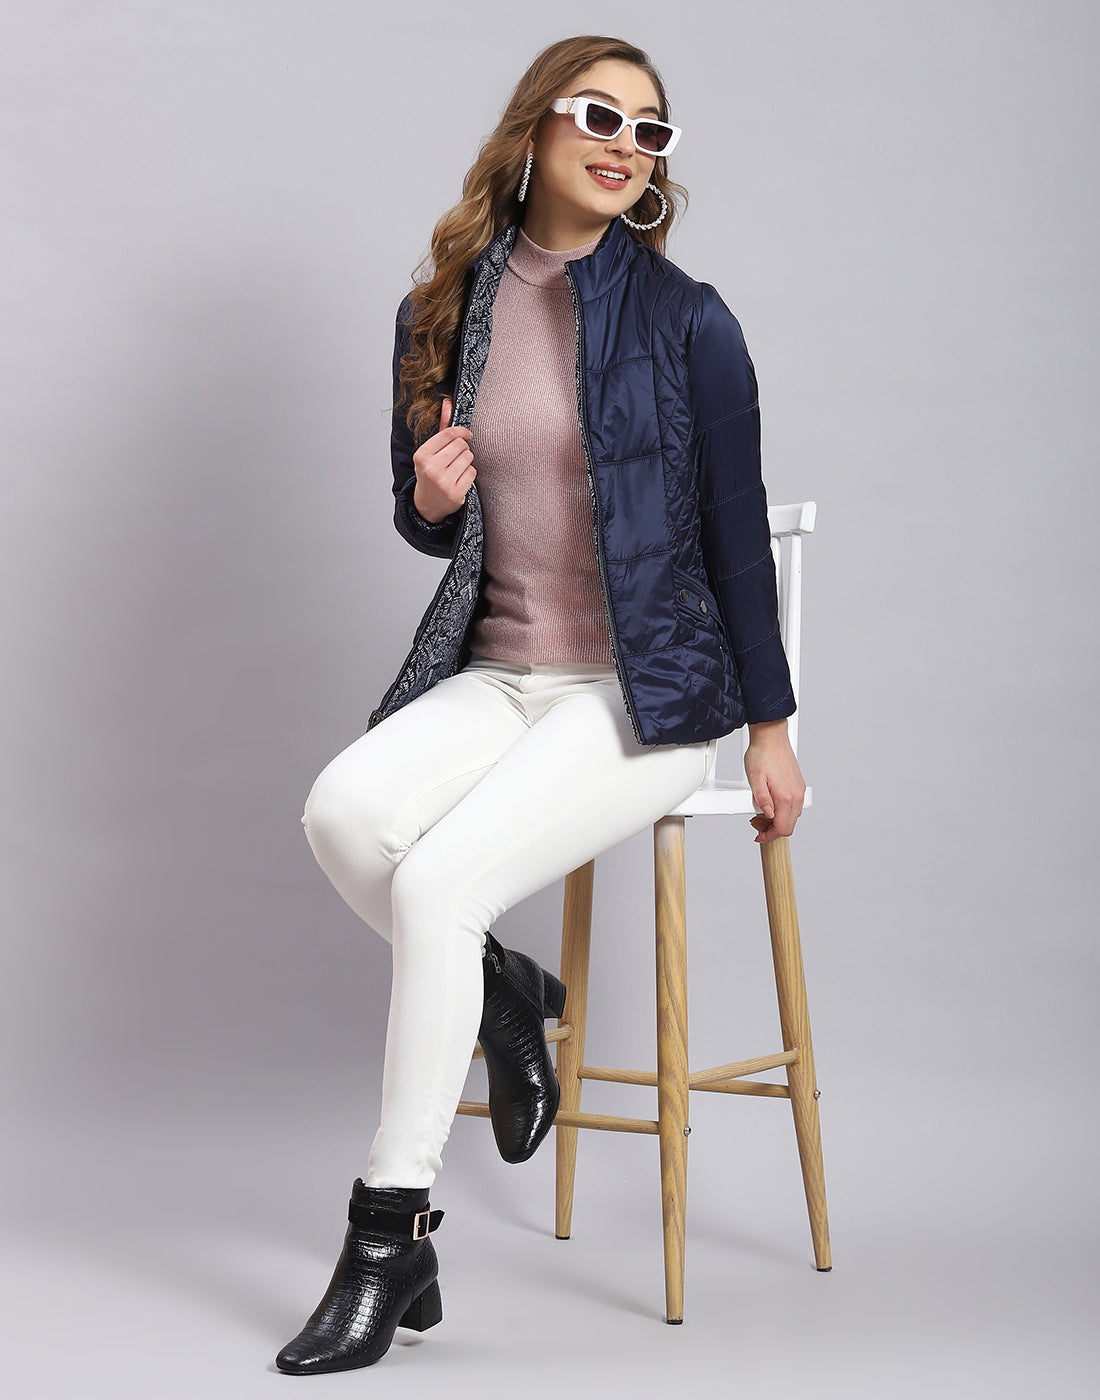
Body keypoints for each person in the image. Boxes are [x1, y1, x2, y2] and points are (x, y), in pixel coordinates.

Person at [274, 34, 806, 1375]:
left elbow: (736, 532)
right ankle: (509, 994)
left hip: (646, 690)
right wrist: (427, 499)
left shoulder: (689, 322)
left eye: (650, 129)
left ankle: (389, 1235)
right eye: (600, 115)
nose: (626, 144)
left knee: (438, 883)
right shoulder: (443, 309)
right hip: (500, 670)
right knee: (340, 814)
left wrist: (772, 725)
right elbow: (425, 518)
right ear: (536, 126)